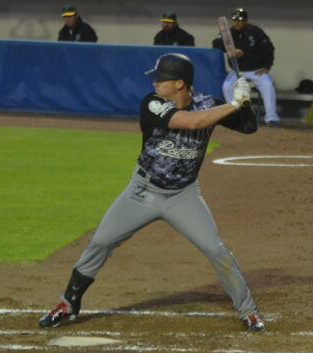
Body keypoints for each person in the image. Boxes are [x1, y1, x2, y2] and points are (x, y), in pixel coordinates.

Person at [38, 53, 266, 332]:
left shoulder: (209, 103)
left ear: (180, 83)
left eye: (161, 78)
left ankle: (249, 311)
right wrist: (232, 103)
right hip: (142, 192)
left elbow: (249, 126)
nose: (155, 82)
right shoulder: (152, 103)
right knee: (101, 242)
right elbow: (192, 122)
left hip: (183, 196)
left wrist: (244, 103)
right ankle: (68, 304)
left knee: (215, 249)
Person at [212, 8, 280, 126]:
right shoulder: (229, 32)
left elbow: (269, 48)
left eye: (240, 20)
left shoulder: (255, 31)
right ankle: (234, 116)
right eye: (235, 20)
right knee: (227, 86)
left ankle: (271, 118)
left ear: (246, 21)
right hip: (237, 70)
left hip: (256, 70)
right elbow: (216, 43)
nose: (237, 23)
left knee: (268, 85)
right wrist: (229, 50)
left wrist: (267, 67)